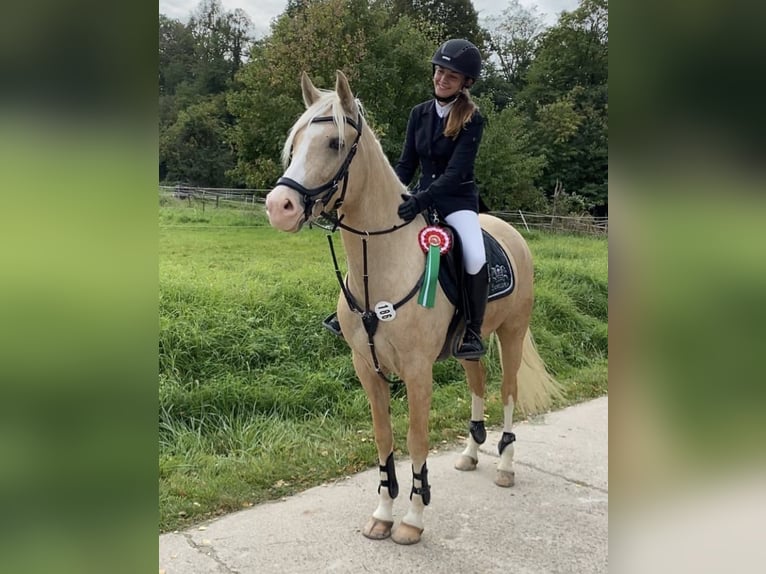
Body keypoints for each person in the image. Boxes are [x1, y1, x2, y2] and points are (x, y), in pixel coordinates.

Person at [324, 38, 488, 360]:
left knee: (474, 255)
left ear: (465, 82)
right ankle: (352, 310)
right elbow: (405, 164)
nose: (441, 79)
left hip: (456, 202)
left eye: (451, 76)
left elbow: (456, 173)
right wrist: (395, 193)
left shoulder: (472, 119)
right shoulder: (419, 114)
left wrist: (422, 199)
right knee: (375, 237)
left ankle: (472, 330)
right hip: (418, 196)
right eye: (439, 72)